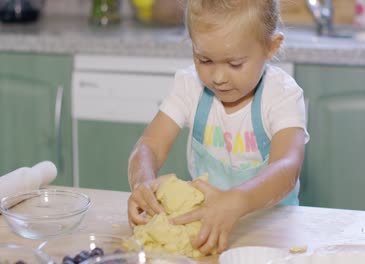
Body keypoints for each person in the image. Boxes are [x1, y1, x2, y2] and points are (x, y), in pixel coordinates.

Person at [127, 0, 309, 255]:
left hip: (272, 234)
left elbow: (287, 167)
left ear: (271, 46)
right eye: (204, 59)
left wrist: (238, 201)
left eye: (235, 64)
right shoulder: (189, 87)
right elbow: (149, 146)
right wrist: (142, 183)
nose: (218, 77)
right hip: (207, 233)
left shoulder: (281, 96)